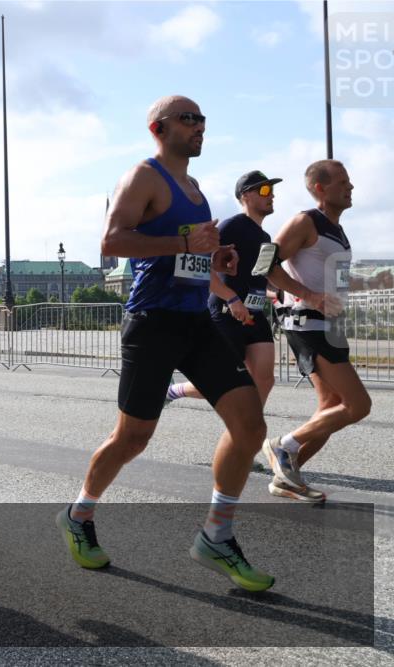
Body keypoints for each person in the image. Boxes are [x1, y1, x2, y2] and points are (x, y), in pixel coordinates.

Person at [58, 95, 274, 592]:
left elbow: (190, 253)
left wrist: (214, 258)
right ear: (158, 128)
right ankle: (79, 513)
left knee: (249, 424)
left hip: (197, 321)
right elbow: (112, 242)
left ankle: (216, 536)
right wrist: (184, 245)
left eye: (202, 118)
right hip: (151, 322)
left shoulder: (195, 189)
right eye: (188, 118)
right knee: (133, 438)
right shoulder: (143, 177)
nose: (200, 125)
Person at [257, 159, 370, 503]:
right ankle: (282, 446)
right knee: (358, 405)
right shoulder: (305, 221)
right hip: (306, 323)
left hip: (328, 325)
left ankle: (287, 478)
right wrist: (311, 296)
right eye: (342, 182)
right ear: (320, 188)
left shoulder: (336, 229)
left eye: (350, 182)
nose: (350, 187)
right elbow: (265, 264)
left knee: (331, 407)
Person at [165, 170, 282, 406]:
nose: (272, 196)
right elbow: (198, 266)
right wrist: (231, 298)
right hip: (227, 313)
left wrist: (278, 293)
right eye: (265, 190)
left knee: (265, 380)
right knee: (220, 380)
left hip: (255, 315)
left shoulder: (266, 236)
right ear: (246, 196)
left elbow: (260, 276)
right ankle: (174, 391)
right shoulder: (231, 226)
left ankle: (249, 430)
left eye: (272, 191)